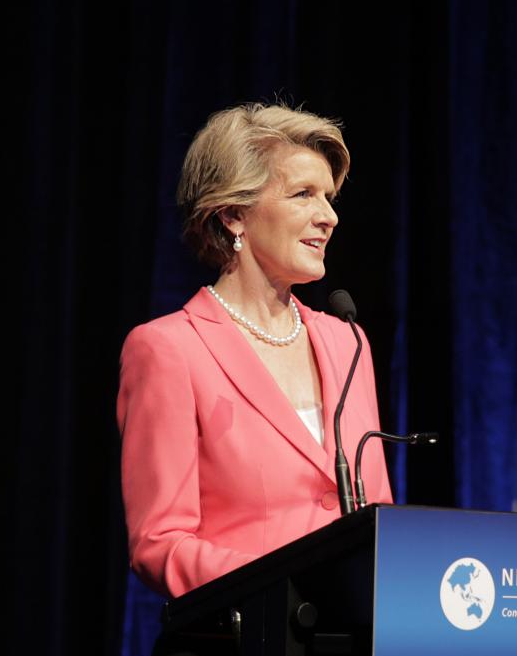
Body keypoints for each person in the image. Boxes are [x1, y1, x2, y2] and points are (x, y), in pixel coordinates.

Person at [117, 101, 393, 601]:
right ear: (234, 215)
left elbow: (378, 516)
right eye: (303, 194)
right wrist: (293, 583)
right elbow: (160, 545)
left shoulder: (346, 341)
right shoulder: (168, 349)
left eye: (328, 197)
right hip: (239, 653)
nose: (328, 216)